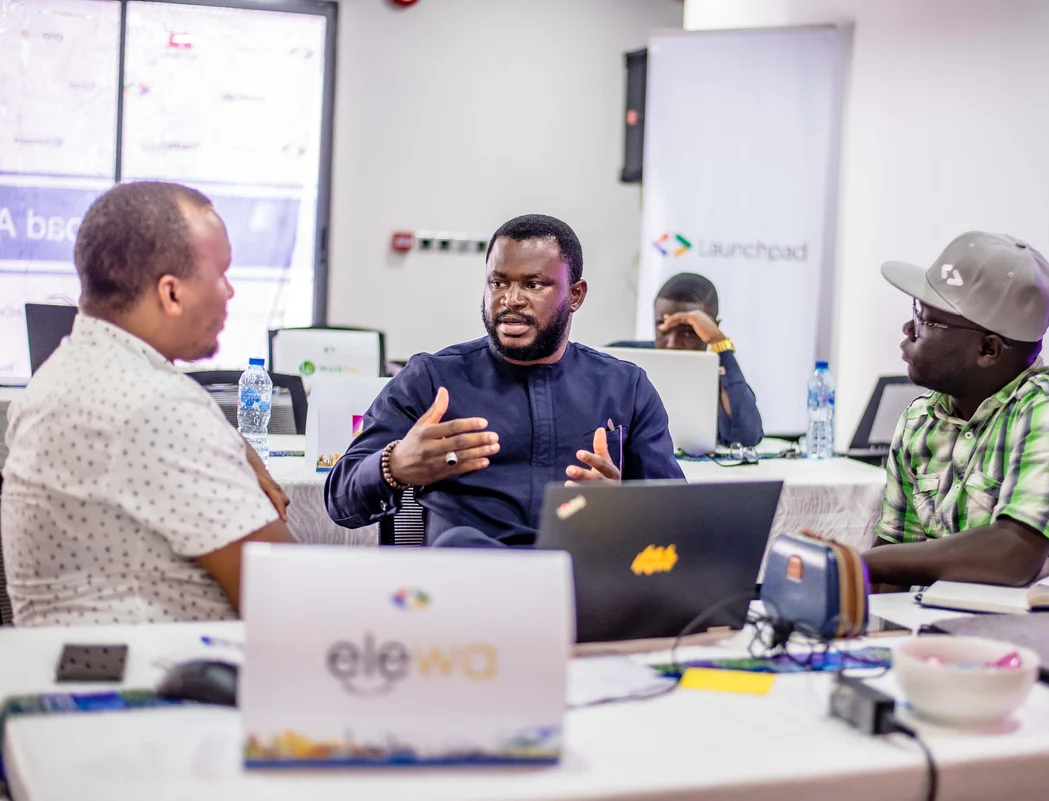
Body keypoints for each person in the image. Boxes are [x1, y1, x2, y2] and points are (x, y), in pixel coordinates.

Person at [1, 181, 295, 626]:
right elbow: (291, 594)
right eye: (221, 275)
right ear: (171, 293)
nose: (230, 292)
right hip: (172, 680)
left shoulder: (67, 372)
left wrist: (230, 447)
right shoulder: (154, 405)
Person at [325, 214, 684, 546]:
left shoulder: (624, 387)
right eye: (498, 282)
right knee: (460, 544)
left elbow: (678, 518)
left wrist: (625, 508)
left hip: (581, 578)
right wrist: (394, 465)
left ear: (575, 295)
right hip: (471, 584)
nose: (511, 300)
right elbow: (341, 499)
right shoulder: (432, 379)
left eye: (533, 284)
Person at [864, 231, 1049, 589]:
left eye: (924, 319)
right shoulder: (920, 420)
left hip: (1045, 636)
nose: (908, 329)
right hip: (935, 632)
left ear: (988, 349)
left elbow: (1013, 556)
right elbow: (893, 564)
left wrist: (861, 563)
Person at [610, 272, 765, 447]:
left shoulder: (720, 371)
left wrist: (720, 344)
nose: (672, 343)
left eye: (690, 331)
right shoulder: (619, 359)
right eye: (663, 327)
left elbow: (746, 436)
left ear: (713, 328)